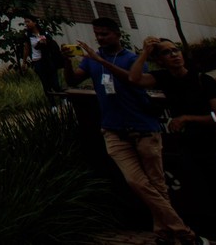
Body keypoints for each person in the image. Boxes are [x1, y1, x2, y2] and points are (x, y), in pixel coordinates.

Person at [67, 17, 200, 244]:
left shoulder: (132, 59)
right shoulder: (90, 60)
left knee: (156, 184)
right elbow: (72, 81)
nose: (100, 38)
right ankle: (183, 231)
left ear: (117, 34)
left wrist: (101, 60)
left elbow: (132, 80)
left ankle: (163, 232)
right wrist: (64, 60)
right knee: (137, 182)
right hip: (113, 129)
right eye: (97, 34)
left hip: (142, 127)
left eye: (105, 34)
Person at [128, 36, 216, 243]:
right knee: (202, 199)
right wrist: (145, 52)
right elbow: (134, 79)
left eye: (175, 50)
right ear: (160, 60)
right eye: (167, 52)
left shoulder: (202, 80)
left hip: (213, 148)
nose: (174, 55)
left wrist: (187, 118)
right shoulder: (164, 78)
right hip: (188, 149)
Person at [23, 16, 67, 107]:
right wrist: (24, 62)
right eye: (25, 22)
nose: (26, 24)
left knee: (55, 83)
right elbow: (26, 48)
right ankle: (53, 105)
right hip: (37, 61)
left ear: (34, 22)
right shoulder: (27, 35)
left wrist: (45, 43)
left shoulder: (44, 32)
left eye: (28, 21)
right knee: (45, 83)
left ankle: (64, 98)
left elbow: (52, 44)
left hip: (48, 60)